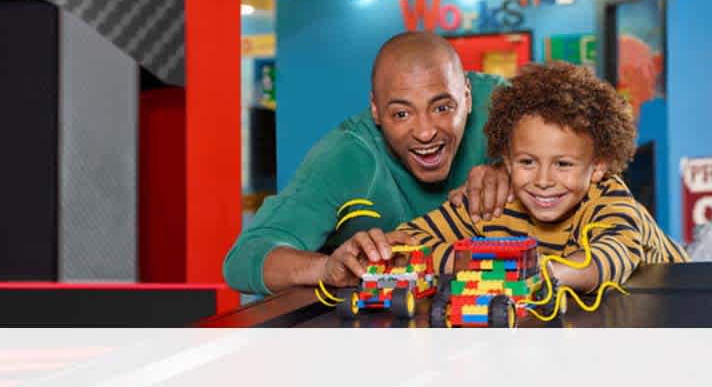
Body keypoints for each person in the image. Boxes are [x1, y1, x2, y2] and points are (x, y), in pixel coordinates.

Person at [223, 32, 511, 295]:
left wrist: (513, 167)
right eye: (401, 114)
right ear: (375, 109)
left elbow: (556, 124)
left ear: (468, 97)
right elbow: (245, 257)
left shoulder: (501, 106)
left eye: (442, 108)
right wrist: (325, 268)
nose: (425, 132)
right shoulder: (346, 155)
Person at [397, 62, 687, 292]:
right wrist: (484, 264)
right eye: (527, 162)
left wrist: (524, 273)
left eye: (562, 164)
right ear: (507, 161)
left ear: (597, 166)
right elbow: (407, 243)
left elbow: (608, 258)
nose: (543, 180)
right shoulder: (495, 201)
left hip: (687, 293)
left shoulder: (609, 200)